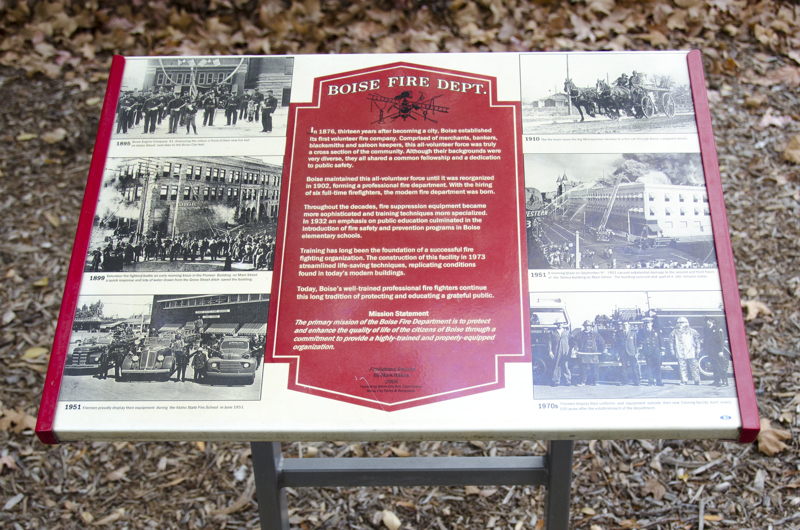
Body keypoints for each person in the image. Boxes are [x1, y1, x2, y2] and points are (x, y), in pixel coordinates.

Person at [668, 316, 702, 386]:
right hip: (680, 351)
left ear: (686, 323)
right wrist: (672, 349)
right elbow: (670, 340)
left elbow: (698, 340)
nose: (681, 324)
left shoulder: (692, 331)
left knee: (694, 366)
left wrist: (698, 348)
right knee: (682, 367)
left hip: (691, 351)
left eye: (682, 322)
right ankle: (684, 380)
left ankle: (697, 380)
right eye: (679, 322)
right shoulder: (674, 331)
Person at [573, 320, 605, 386]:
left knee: (594, 369)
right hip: (583, 353)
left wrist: (604, 349)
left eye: (589, 326)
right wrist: (576, 347)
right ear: (584, 326)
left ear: (591, 327)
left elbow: (602, 342)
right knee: (583, 369)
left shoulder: (595, 334)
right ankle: (583, 381)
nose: (587, 327)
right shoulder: (580, 334)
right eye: (586, 326)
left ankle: (595, 381)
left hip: (593, 354)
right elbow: (574, 341)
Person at [703, 319, 728, 387]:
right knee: (714, 367)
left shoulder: (717, 329)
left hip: (717, 351)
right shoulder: (706, 329)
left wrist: (721, 351)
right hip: (711, 351)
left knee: (721, 366)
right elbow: (706, 340)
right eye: (706, 321)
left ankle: (725, 382)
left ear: (712, 321)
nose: (707, 322)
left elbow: (721, 341)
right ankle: (716, 381)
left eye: (708, 320)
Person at [638, 317, 663, 386]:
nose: (647, 325)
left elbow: (660, 340)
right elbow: (639, 341)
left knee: (657, 366)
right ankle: (650, 382)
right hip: (647, 351)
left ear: (651, 323)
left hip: (656, 351)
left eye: (649, 323)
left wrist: (662, 349)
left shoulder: (656, 331)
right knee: (649, 367)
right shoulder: (641, 331)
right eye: (646, 323)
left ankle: (659, 381)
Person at [548, 321, 572, 387]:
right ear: (556, 324)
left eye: (561, 323)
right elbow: (550, 342)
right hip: (556, 350)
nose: (560, 324)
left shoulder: (567, 332)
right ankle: (556, 381)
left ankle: (567, 380)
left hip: (565, 351)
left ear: (563, 324)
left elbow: (571, 341)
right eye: (558, 323)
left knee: (565, 365)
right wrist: (550, 351)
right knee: (556, 365)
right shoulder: (552, 332)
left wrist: (571, 350)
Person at [618, 322, 641, 386]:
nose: (625, 326)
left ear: (629, 326)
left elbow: (635, 343)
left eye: (626, 325)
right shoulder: (619, 333)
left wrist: (636, 352)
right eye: (624, 325)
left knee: (634, 367)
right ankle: (625, 381)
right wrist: (618, 353)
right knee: (624, 368)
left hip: (631, 352)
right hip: (623, 352)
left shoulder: (633, 333)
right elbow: (617, 344)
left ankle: (636, 381)